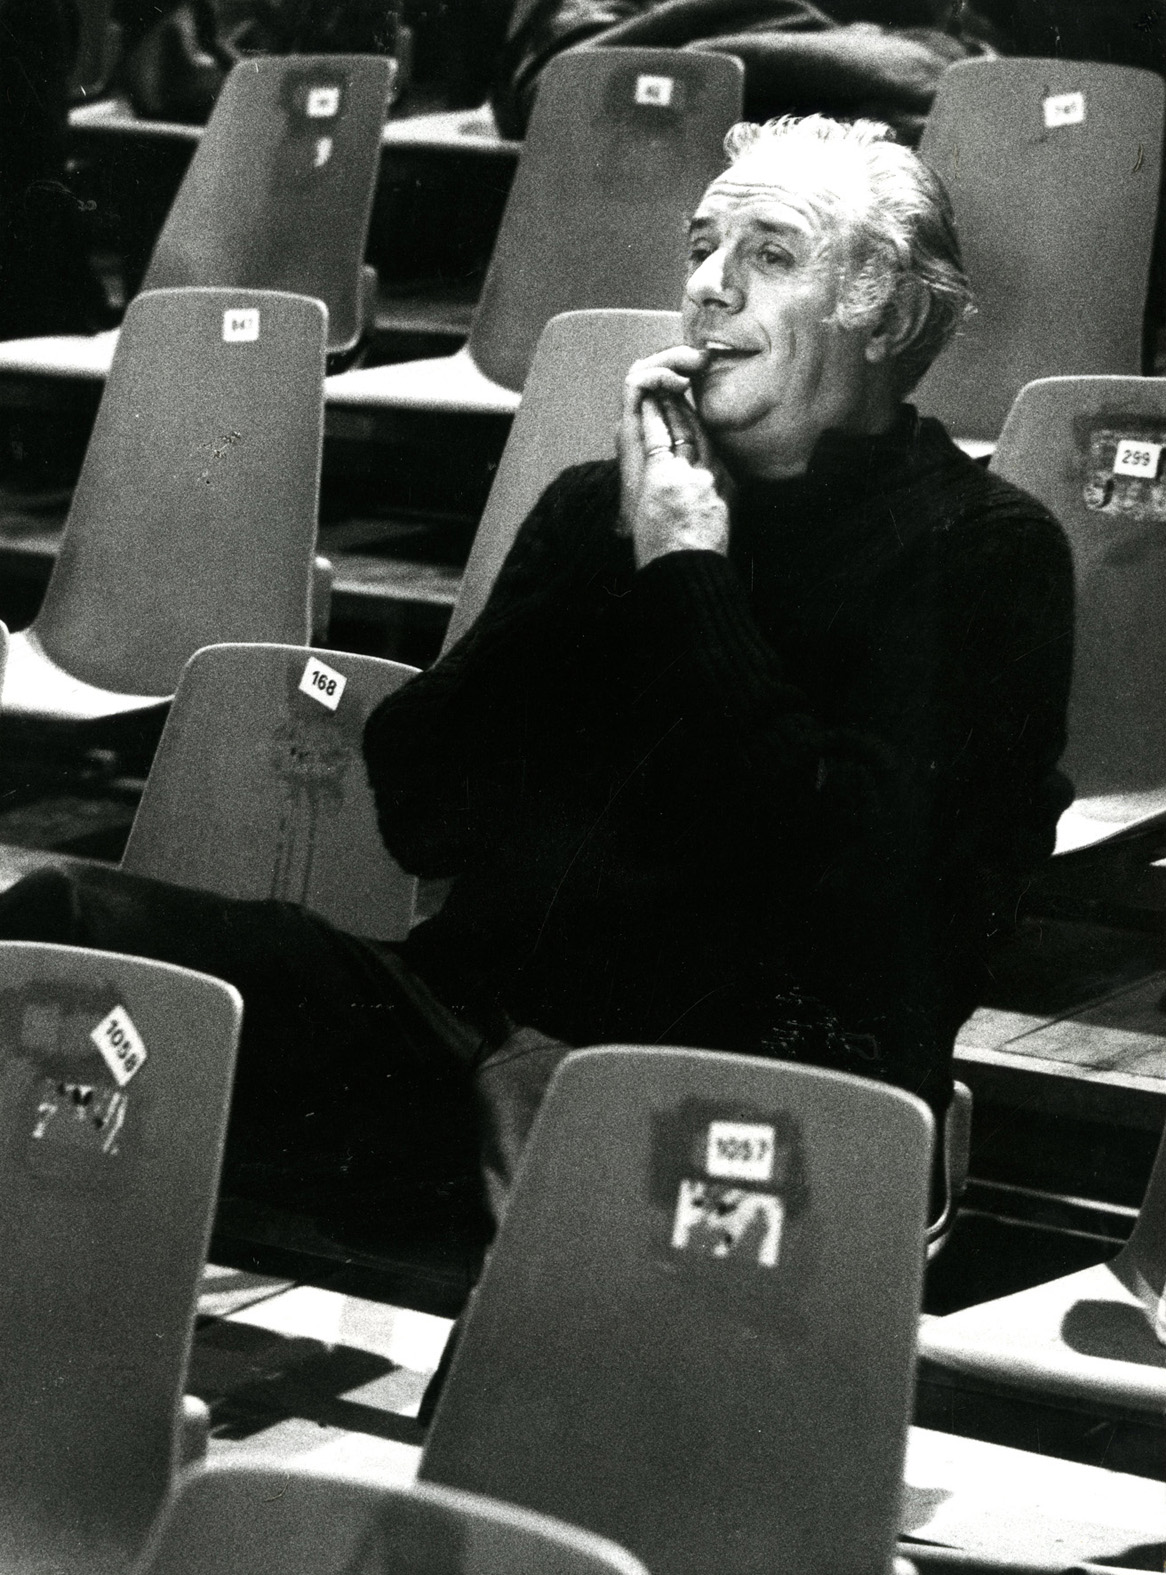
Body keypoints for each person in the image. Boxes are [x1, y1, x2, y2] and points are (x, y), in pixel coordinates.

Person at [0, 113, 1073, 1231]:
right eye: (701, 247)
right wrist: (611, 546)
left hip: (736, 1094)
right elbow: (423, 810)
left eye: (769, 254)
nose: (708, 286)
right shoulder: (604, 506)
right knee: (63, 928)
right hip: (473, 1034)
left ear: (886, 314)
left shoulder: (981, 550)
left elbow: (845, 889)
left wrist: (685, 573)